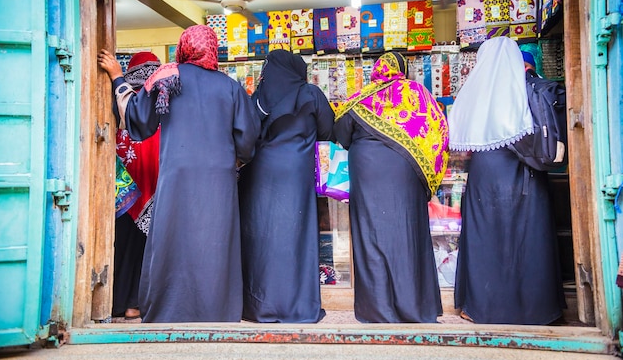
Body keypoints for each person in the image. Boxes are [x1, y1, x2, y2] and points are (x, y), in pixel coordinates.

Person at [97, 24, 261, 323]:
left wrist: (118, 78)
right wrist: (234, 160)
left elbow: (138, 121)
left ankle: (171, 309)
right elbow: (248, 139)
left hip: (176, 177)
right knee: (215, 241)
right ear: (213, 50)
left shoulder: (166, 78)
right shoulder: (230, 87)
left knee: (174, 240)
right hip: (218, 179)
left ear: (182, 47)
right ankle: (217, 311)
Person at [449, 36, 566, 325]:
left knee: (485, 240)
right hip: (524, 176)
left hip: (484, 177)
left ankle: (483, 308)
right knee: (528, 238)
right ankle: (535, 310)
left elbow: (461, 144)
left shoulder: (474, 93)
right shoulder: (525, 91)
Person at [332, 51, 450, 323]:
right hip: (406, 175)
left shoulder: (362, 96)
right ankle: (413, 306)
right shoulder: (417, 93)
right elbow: (439, 131)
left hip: (367, 171)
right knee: (407, 234)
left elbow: (340, 131)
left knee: (371, 236)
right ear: (403, 69)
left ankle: (378, 310)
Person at [238, 49, 335, 323]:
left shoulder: (256, 99)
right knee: (295, 238)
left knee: (261, 239)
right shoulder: (310, 94)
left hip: (258, 177)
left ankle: (260, 307)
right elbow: (328, 131)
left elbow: (245, 135)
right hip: (296, 176)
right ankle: (296, 306)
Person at [103, 51, 162, 321]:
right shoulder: (160, 99)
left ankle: (113, 301)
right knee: (144, 247)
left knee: (120, 243)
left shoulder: (117, 97)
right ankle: (135, 304)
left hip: (121, 187)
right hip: (152, 182)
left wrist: (117, 77)